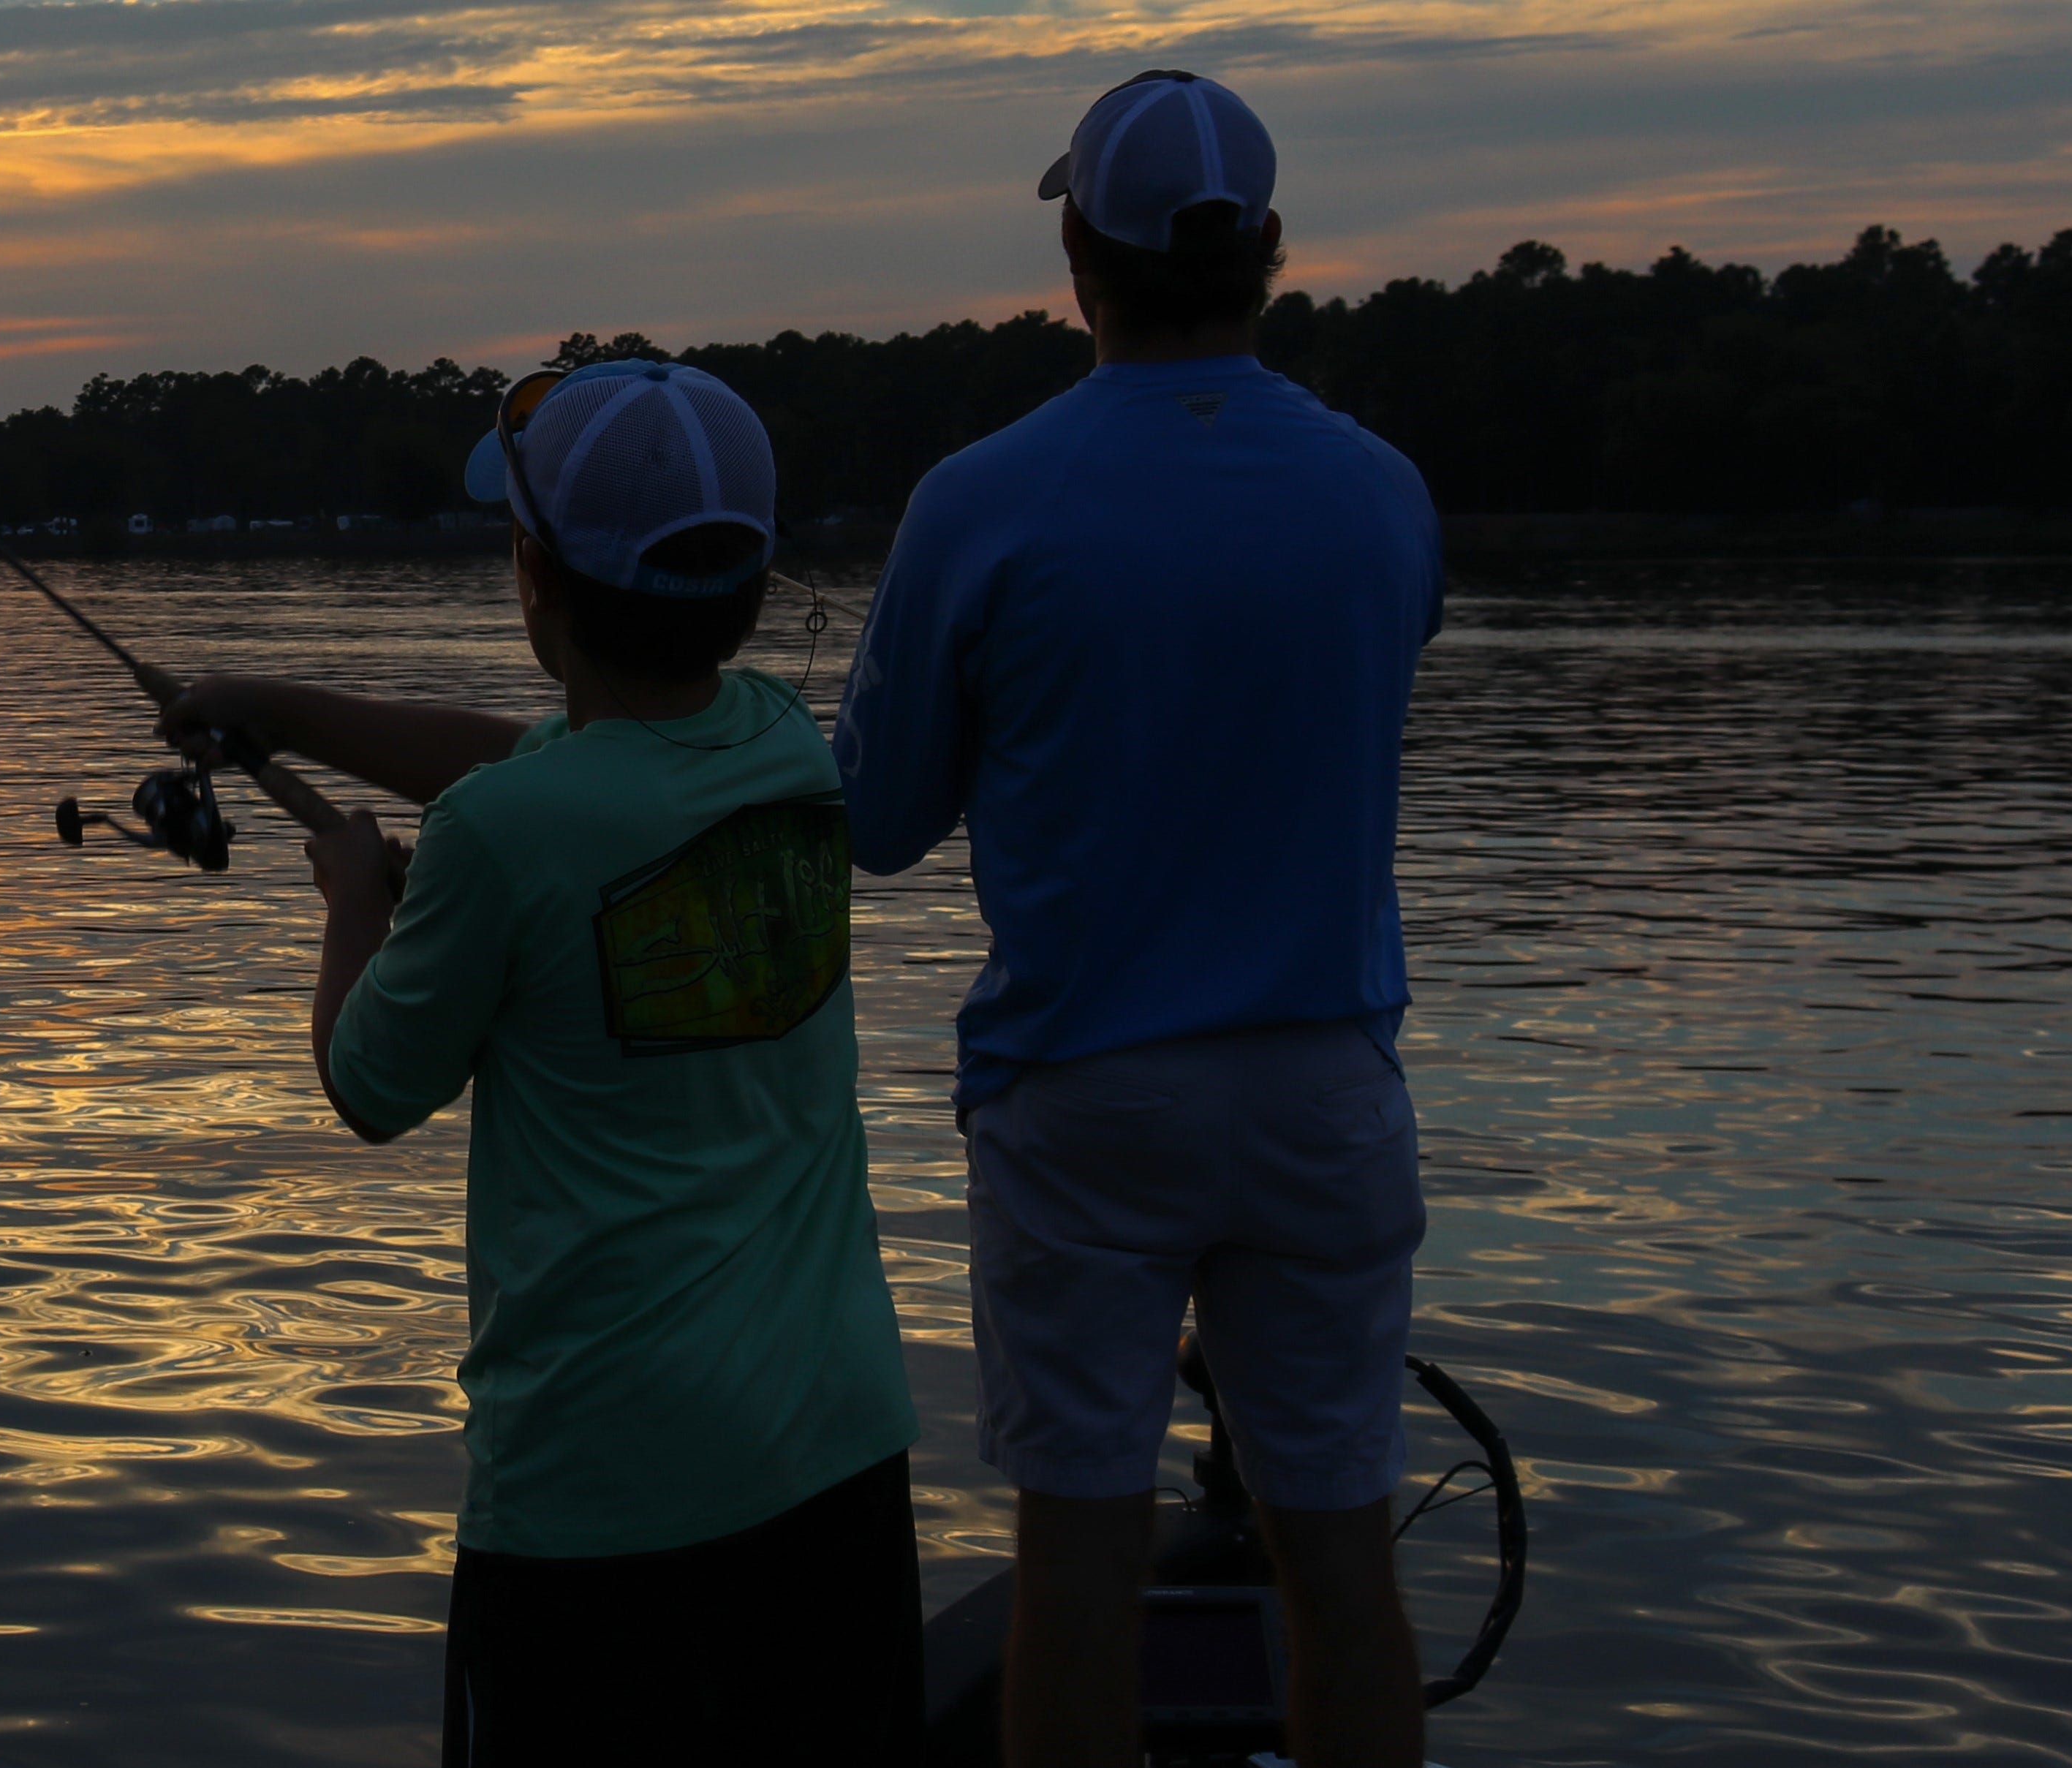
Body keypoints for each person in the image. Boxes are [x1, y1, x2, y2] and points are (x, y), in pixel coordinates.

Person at [160, 359, 920, 1764]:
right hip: (835, 1448)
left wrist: (353, 906)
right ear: (747, 581)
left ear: (533, 575)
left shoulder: (499, 839)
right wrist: (279, 707)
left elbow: (370, 1085)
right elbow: (534, 762)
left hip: (600, 1489)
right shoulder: (782, 749)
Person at [831, 69, 1445, 1768]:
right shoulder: (1383, 492)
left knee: (1076, 1562)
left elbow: (874, 826)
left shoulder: (978, 499)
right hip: (1325, 1089)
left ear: (1074, 255)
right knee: (1338, 1557)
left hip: (1083, 1099)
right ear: (1262, 251)